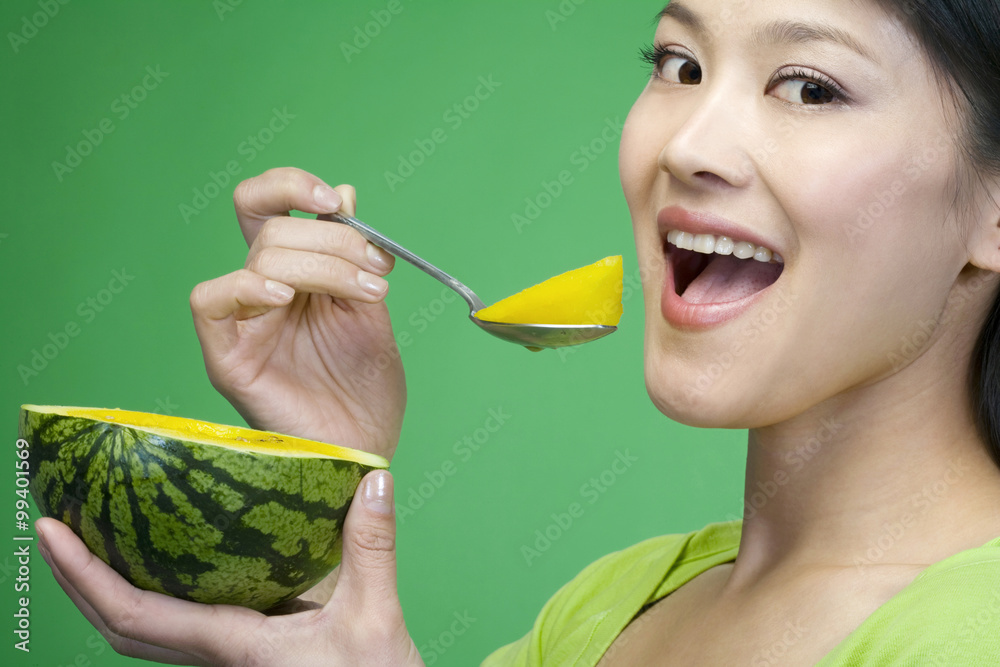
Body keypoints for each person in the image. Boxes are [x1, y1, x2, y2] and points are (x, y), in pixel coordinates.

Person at [34, 0, 1000, 664]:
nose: (689, 144)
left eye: (809, 87)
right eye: (680, 63)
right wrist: (322, 481)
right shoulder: (614, 605)